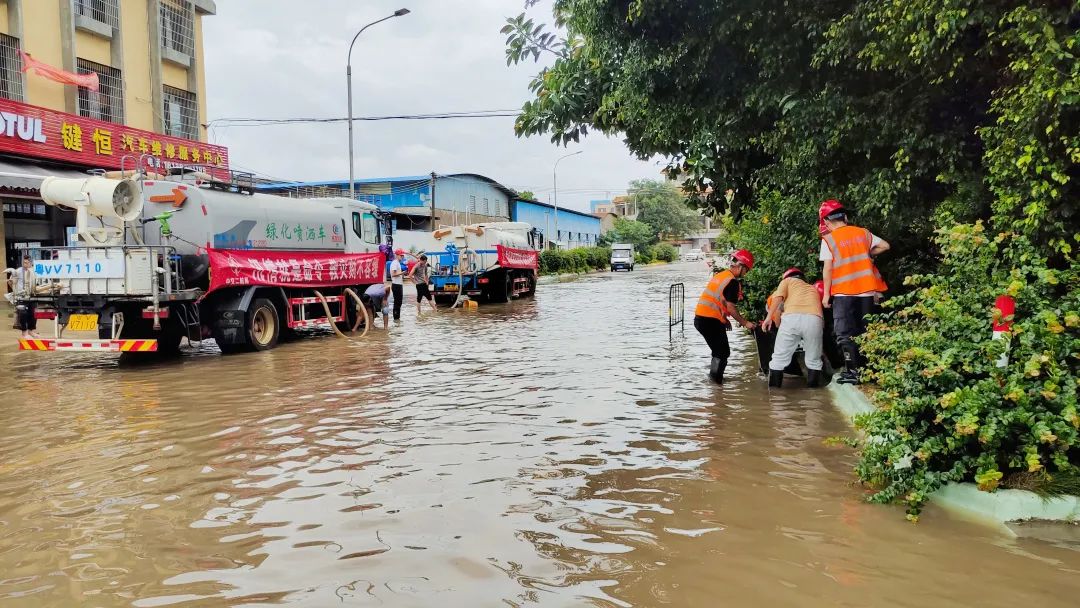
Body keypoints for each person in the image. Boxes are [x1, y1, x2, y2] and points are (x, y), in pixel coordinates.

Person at [818, 200, 889, 384]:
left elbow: (827, 269)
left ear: (826, 222)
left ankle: (853, 373)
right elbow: (885, 246)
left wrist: (826, 295)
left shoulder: (829, 240)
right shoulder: (863, 233)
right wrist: (869, 254)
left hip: (844, 293)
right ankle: (870, 371)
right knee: (866, 331)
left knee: (844, 334)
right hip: (867, 291)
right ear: (845, 217)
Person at [694, 249, 756, 384]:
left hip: (702, 319)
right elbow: (731, 307)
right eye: (747, 270)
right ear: (740, 266)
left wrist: (724, 319)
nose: (746, 274)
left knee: (719, 351)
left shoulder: (722, 275)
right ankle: (716, 385)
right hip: (710, 321)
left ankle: (714, 382)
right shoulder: (732, 282)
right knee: (722, 352)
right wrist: (746, 323)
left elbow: (718, 301)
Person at [762, 268, 825, 388]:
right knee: (814, 361)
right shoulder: (812, 289)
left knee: (778, 360)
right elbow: (822, 319)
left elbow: (778, 298)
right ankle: (814, 396)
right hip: (815, 319)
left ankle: (774, 397)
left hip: (792, 318)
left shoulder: (787, 281)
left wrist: (768, 318)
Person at [4, 256, 40, 339]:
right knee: (23, 314)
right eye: (24, 262)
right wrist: (14, 290)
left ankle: (31, 331)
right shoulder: (18, 271)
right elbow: (10, 282)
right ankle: (24, 333)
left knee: (33, 313)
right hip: (21, 296)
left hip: (32, 295)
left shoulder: (34, 271)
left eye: (27, 263)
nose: (25, 264)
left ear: (31, 263)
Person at [388, 249, 407, 322]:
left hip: (399, 284)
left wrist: (402, 273)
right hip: (396, 285)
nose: (402, 257)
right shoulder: (394, 263)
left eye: (402, 256)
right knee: (397, 302)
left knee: (399, 302)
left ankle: (397, 318)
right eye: (401, 255)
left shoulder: (398, 263)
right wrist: (402, 273)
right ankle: (396, 318)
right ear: (397, 255)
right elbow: (393, 274)